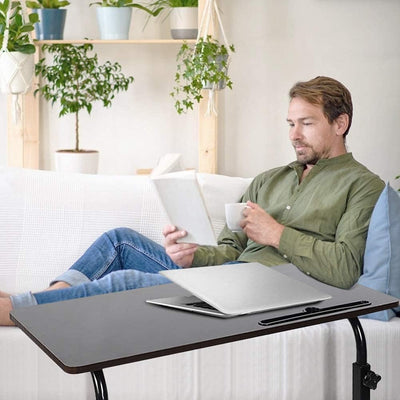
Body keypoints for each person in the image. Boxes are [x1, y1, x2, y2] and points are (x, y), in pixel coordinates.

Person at [0, 76, 384, 326]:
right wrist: (193, 255)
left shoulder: (363, 185)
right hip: (231, 278)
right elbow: (230, 249)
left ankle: (19, 311)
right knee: (119, 240)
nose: (295, 135)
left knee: (130, 280)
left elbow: (346, 269)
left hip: (276, 289)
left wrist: (277, 234)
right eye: (290, 124)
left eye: (307, 123)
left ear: (340, 123)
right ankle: (39, 301)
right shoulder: (270, 180)